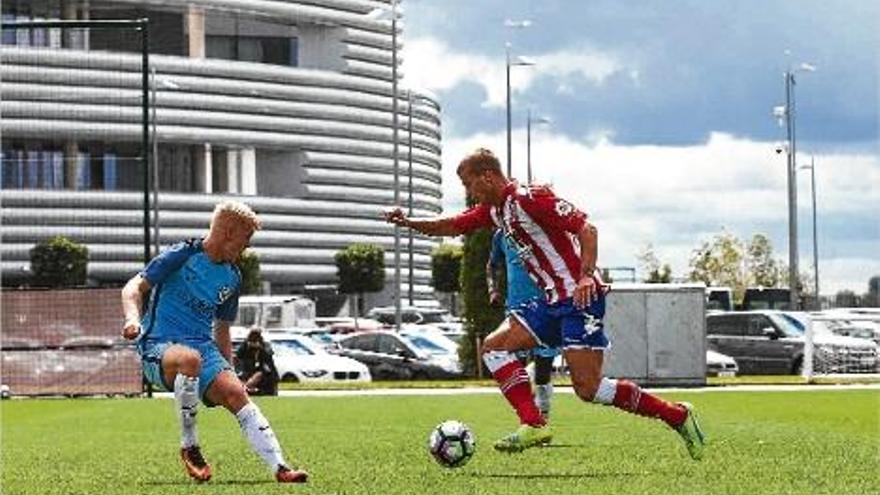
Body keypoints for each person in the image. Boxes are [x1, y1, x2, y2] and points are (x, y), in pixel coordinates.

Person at [385, 148, 706, 459]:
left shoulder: (530, 198)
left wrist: (585, 276)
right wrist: (409, 222)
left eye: (469, 183)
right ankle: (533, 423)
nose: (469, 192)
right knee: (493, 348)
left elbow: (586, 229)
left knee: (589, 389)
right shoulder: (497, 211)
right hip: (550, 303)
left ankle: (676, 416)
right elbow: (452, 225)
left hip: (580, 301)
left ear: (487, 176)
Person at [121, 200, 308, 483]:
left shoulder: (233, 277)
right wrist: (132, 319)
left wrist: (230, 372)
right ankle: (190, 447)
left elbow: (222, 328)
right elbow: (133, 287)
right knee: (189, 360)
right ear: (229, 232)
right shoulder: (182, 254)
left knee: (237, 394)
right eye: (247, 239)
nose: (247, 247)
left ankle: (280, 467)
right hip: (158, 345)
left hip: (202, 349)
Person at [486, 228, 560, 421]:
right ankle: (530, 421)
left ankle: (543, 409)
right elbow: (492, 265)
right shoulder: (501, 236)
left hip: (545, 308)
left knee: (543, 374)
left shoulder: (541, 230)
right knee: (515, 372)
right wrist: (493, 289)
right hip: (515, 311)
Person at [234, 328, 279, 396]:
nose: (253, 344)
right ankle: (245, 388)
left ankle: (245, 387)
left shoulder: (265, 347)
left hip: (266, 378)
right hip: (248, 373)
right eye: (252, 341)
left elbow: (268, 366)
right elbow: (238, 360)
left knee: (259, 375)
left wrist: (260, 348)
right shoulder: (244, 347)